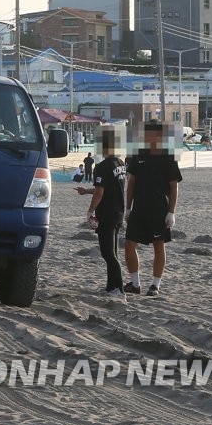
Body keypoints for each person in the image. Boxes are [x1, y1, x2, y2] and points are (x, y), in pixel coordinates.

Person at [123, 121, 182, 297]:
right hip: (139, 208)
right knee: (129, 245)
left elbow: (174, 186)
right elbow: (131, 183)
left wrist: (171, 212)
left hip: (159, 209)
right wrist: (128, 208)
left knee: (158, 245)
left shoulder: (169, 155)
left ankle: (155, 285)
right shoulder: (138, 154)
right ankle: (135, 284)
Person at [75, 127, 127, 299]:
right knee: (113, 252)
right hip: (119, 212)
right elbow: (106, 188)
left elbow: (100, 193)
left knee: (108, 253)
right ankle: (111, 286)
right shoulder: (120, 164)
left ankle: (118, 289)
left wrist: (90, 211)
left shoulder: (102, 166)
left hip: (107, 214)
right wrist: (86, 191)